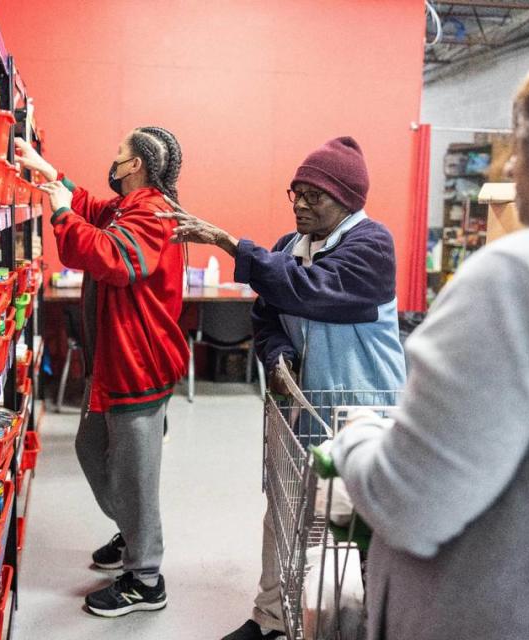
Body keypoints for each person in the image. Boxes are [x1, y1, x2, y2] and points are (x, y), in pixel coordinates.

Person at [315, 23, 529, 640]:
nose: (510, 163)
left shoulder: (527, 278)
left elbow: (409, 503)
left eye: (518, 141)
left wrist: (358, 433)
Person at [159, 136, 406, 639]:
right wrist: (278, 357)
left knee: (367, 527)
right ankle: (269, 618)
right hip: (303, 412)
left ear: (348, 200)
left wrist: (231, 244)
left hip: (364, 412)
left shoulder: (371, 244)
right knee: (285, 513)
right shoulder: (285, 249)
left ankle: (382, 622)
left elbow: (312, 291)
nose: (301, 203)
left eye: (316, 195)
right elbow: (267, 316)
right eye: (296, 192)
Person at [16, 127, 188, 617]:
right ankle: (136, 532)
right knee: (91, 447)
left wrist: (61, 215)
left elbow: (116, 259)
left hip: (139, 364)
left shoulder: (153, 213)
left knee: (134, 473)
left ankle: (145, 579)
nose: (113, 159)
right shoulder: (129, 206)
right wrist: (50, 174)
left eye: (120, 152)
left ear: (135, 165)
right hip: (113, 360)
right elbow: (95, 208)